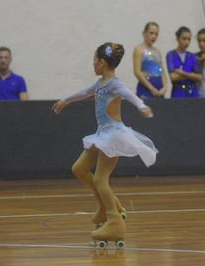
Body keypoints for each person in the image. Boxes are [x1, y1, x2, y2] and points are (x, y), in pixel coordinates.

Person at [52, 42, 158, 245]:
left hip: (113, 137)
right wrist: (65, 100)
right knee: (79, 168)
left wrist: (142, 106)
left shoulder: (115, 84)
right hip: (101, 135)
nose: (92, 64)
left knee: (101, 180)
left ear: (101, 62)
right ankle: (106, 204)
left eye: (94, 60)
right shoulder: (100, 83)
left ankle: (115, 220)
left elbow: (130, 95)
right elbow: (84, 92)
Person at [133, 22, 167, 98]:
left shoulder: (157, 51)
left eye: (156, 34)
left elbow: (162, 70)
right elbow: (137, 72)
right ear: (144, 33)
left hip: (159, 88)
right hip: (146, 87)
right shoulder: (139, 49)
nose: (153, 36)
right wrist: (151, 88)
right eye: (151, 33)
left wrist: (165, 87)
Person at [166, 26, 202, 98]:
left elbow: (199, 77)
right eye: (184, 39)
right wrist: (191, 75)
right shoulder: (171, 55)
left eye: (189, 39)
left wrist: (181, 72)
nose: (187, 42)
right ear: (178, 39)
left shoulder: (192, 56)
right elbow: (173, 77)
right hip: (178, 92)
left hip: (193, 92)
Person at [196, 28, 205, 97]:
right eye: (199, 41)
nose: (201, 44)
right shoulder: (194, 58)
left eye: (204, 41)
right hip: (198, 95)